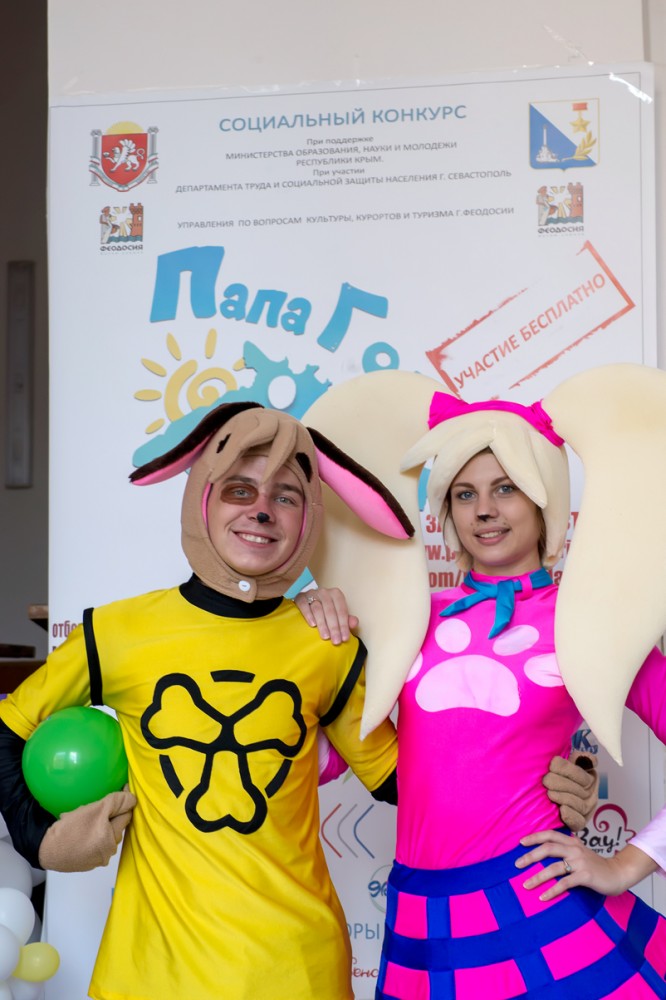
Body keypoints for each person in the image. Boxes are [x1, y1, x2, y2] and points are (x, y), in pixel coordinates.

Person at [0, 401, 597, 1000]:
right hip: (151, 975)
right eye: (239, 489)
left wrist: (551, 782)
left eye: (285, 496)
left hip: (301, 971)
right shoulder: (116, 632)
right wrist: (39, 838)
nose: (261, 510)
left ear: (310, 517)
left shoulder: (328, 644)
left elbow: (411, 779)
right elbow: (9, 726)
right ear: (202, 498)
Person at [296, 364, 666, 998]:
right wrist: (303, 628)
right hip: (419, 911)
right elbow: (333, 751)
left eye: (506, 489)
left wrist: (627, 864)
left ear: (544, 500)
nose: (485, 510)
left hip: (538, 902)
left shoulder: (589, 619)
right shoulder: (404, 615)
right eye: (464, 494)